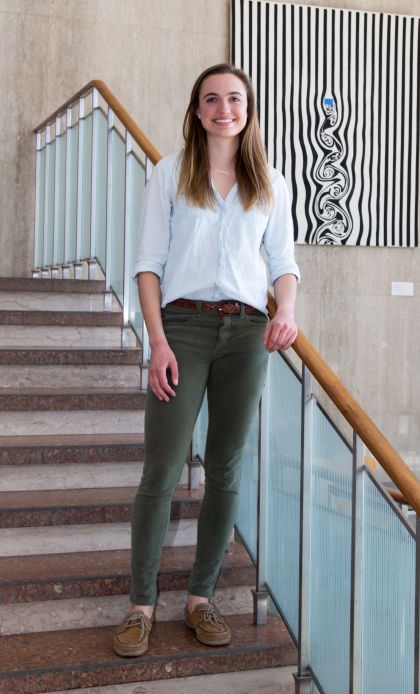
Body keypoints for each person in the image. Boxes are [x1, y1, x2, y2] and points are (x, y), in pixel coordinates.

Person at [113, 63, 300, 657]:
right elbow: (148, 264)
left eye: (235, 99)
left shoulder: (271, 181)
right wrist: (158, 341)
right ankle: (141, 606)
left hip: (247, 333)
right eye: (212, 99)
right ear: (197, 111)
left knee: (224, 469)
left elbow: (283, 261)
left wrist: (287, 311)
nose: (225, 108)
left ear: (250, 109)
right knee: (163, 469)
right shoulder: (170, 174)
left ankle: (200, 598)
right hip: (184, 328)